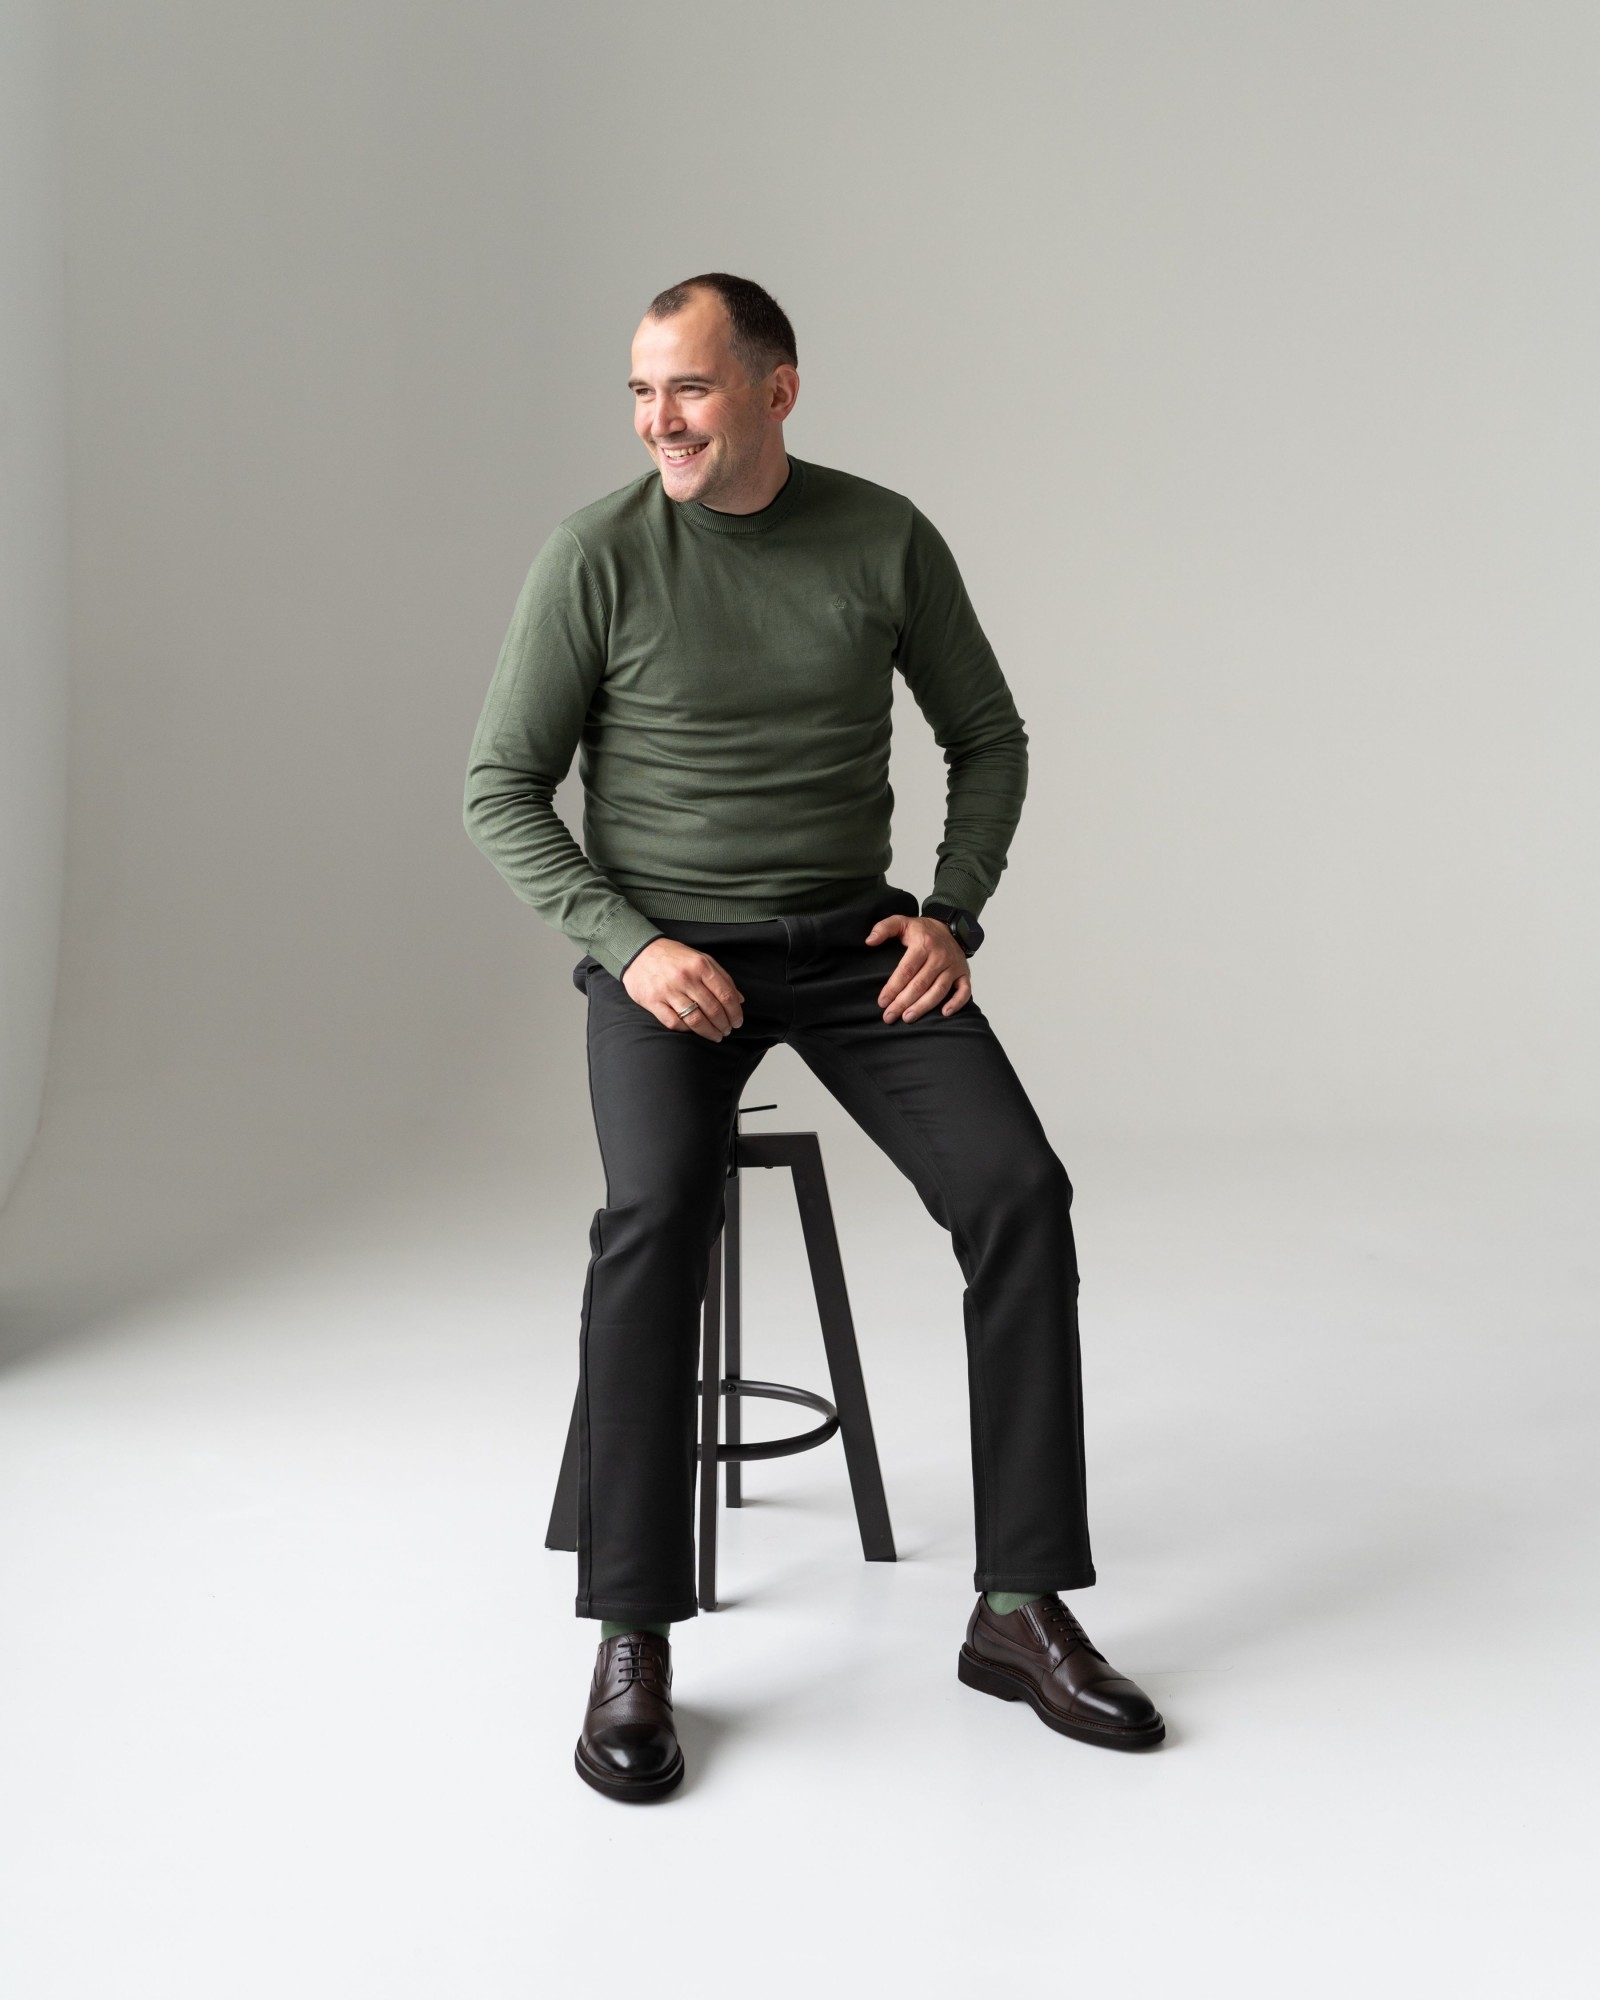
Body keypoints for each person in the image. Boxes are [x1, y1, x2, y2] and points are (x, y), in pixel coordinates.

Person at [464, 272, 1164, 1802]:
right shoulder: (596, 554)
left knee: (1019, 1193)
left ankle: (1019, 1606)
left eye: (691, 388)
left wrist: (950, 915)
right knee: (656, 1215)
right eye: (642, 391)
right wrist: (634, 949)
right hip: (670, 962)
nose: (659, 420)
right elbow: (499, 789)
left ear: (777, 391)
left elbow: (988, 737)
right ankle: (634, 1633)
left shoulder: (882, 537)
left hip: (852, 948)